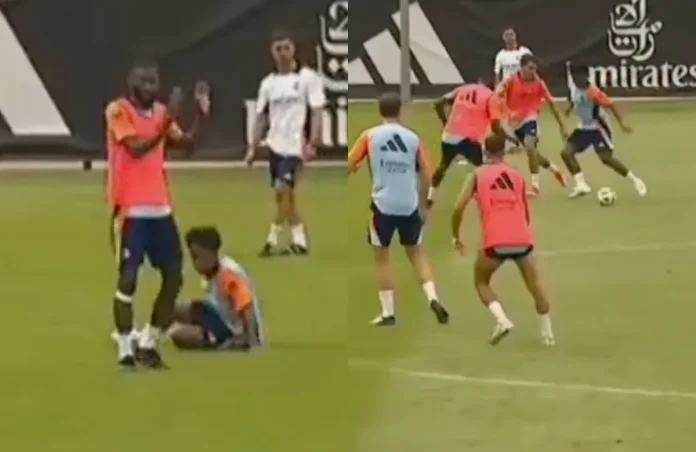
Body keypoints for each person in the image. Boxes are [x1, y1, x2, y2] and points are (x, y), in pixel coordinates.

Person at [106, 61, 210, 369]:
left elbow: (186, 146)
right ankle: (125, 350)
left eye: (155, 82)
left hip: (160, 208)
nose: (152, 88)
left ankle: (149, 341)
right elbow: (136, 149)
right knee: (128, 279)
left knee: (174, 277)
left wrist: (202, 114)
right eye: (146, 82)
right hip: (131, 210)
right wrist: (165, 127)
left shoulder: (163, 113)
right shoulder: (118, 111)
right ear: (133, 85)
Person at [348, 92, 449, 326]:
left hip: (382, 205)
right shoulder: (412, 138)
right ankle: (432, 298)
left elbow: (351, 163)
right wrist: (426, 203)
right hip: (408, 204)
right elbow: (426, 172)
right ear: (399, 111)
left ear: (380, 110)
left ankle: (388, 312)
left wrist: (358, 166)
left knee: (382, 257)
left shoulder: (370, 136)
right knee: (417, 255)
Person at [451, 134, 555, 346]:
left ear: (484, 150)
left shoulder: (477, 175)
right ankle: (547, 332)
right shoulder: (516, 175)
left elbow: (458, 207)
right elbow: (525, 211)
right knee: (535, 285)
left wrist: (456, 235)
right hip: (522, 240)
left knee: (481, 281)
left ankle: (502, 320)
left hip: (495, 242)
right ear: (504, 151)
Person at [246, 30, 326, 257]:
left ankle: (271, 241)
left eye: (286, 48)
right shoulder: (268, 83)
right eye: (278, 48)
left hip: (295, 147)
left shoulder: (307, 78)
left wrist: (313, 142)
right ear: (272, 52)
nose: (282, 53)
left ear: (294, 50)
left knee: (283, 188)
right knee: (285, 196)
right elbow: (261, 116)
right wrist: (253, 146)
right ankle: (299, 241)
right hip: (274, 145)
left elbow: (317, 111)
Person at [166, 226, 265, 350]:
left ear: (211, 254)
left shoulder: (228, 274)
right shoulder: (213, 272)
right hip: (220, 317)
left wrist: (253, 342)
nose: (194, 264)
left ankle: (222, 342)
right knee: (171, 308)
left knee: (180, 335)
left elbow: (247, 307)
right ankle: (150, 336)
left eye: (197, 257)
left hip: (234, 331)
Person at [562, 63, 647, 198]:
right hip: (583, 127)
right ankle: (581, 185)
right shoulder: (573, 88)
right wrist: (569, 108)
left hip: (598, 128)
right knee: (566, 153)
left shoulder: (593, 92)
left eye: (579, 76)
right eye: (573, 76)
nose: (576, 79)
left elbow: (610, 105)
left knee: (606, 159)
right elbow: (575, 100)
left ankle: (635, 180)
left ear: (586, 76)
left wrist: (622, 124)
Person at [429, 78, 517, 206]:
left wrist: (445, 122)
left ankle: (430, 196)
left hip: (448, 135)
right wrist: (511, 138)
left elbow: (438, 103)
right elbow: (495, 127)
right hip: (466, 139)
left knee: (444, 164)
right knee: (488, 166)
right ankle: (490, 195)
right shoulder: (491, 97)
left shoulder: (463, 89)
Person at [498, 54, 568, 196]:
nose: (533, 72)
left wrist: (562, 126)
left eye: (535, 69)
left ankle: (535, 187)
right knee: (534, 155)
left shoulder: (539, 83)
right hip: (514, 123)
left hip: (530, 118)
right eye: (530, 68)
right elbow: (499, 95)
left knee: (530, 146)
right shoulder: (511, 81)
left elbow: (551, 104)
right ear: (522, 67)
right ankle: (556, 171)